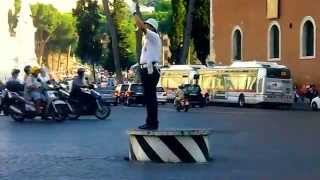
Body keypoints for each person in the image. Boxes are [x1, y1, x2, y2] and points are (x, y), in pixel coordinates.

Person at [130, 2, 162, 130]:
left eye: (147, 25)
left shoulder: (153, 36)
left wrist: (134, 13)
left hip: (150, 70)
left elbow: (141, 27)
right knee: (149, 97)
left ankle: (152, 123)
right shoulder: (149, 40)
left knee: (150, 97)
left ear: (152, 27)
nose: (145, 27)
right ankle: (151, 122)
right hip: (147, 69)